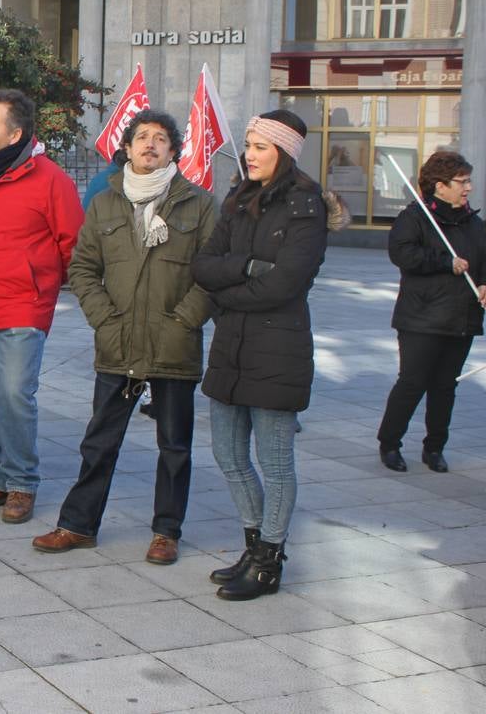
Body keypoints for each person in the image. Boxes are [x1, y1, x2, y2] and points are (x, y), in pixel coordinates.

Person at [33, 110, 215, 564]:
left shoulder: (199, 203)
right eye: (141, 137)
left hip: (174, 343)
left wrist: (183, 322)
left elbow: (212, 275)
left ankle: (166, 531)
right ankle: (78, 525)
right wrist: (105, 321)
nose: (150, 145)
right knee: (99, 441)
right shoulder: (106, 202)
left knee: (174, 445)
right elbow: (82, 268)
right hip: (118, 343)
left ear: (173, 150)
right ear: (127, 147)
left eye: (160, 139)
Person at [192, 109, 344, 601]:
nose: (249, 154)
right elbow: (204, 266)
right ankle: (253, 543)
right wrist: (247, 267)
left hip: (278, 347)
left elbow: (285, 284)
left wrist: (229, 292)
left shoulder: (306, 205)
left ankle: (269, 560)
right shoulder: (238, 199)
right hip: (231, 346)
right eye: (249, 145)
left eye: (259, 146)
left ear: (283, 152)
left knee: (274, 462)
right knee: (227, 453)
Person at [0, 89, 84, 524]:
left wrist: (42, 285)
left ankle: (22, 483)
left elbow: (74, 244)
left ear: (16, 134)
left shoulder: (51, 179)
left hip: (23, 306)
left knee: (14, 394)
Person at [377, 150, 486, 474]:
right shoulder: (415, 217)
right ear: (440, 186)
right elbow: (402, 253)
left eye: (468, 181)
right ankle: (390, 443)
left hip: (463, 318)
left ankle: (435, 447)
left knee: (445, 385)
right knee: (412, 382)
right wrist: (445, 262)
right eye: (462, 181)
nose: (468, 187)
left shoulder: (472, 221)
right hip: (422, 318)